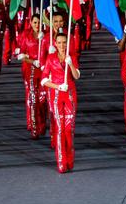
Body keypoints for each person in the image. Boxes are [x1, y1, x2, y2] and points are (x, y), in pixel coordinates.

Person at [41, 33, 80, 173]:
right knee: (59, 129)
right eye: (59, 42)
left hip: (70, 96)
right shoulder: (50, 59)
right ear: (55, 44)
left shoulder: (72, 57)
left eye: (64, 42)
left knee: (69, 129)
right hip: (57, 96)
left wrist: (70, 64)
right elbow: (44, 80)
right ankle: (61, 162)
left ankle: (70, 161)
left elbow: (76, 76)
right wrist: (57, 86)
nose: (62, 45)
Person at [15, 14, 47, 139]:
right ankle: (34, 128)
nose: (37, 25)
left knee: (42, 100)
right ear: (31, 23)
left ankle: (42, 124)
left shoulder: (46, 36)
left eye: (39, 22)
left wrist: (45, 41)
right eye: (35, 22)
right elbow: (21, 55)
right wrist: (32, 61)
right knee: (33, 99)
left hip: (44, 71)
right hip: (31, 71)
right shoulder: (26, 36)